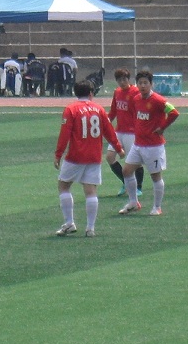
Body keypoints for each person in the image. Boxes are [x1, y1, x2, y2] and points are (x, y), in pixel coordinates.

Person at [53, 79, 125, 237]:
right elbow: (109, 131)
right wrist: (118, 148)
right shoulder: (99, 109)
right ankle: (90, 228)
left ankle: (69, 222)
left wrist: (58, 154)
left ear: (75, 93)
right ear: (91, 93)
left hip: (75, 156)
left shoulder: (71, 109)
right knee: (91, 191)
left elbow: (64, 134)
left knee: (64, 186)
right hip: (94, 156)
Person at [117, 70, 179, 216]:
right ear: (137, 84)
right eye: (140, 83)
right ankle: (133, 202)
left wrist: (162, 127)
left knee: (155, 176)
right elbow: (135, 115)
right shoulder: (136, 99)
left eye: (146, 83)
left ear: (151, 84)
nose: (143, 86)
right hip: (138, 144)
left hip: (153, 146)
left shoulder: (158, 100)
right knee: (126, 171)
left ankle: (157, 207)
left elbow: (174, 112)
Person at [106, 68, 144, 199]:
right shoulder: (117, 92)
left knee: (135, 162)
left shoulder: (135, 92)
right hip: (119, 131)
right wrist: (105, 122)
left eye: (124, 79)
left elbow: (139, 111)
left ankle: (138, 187)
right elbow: (113, 112)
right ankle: (126, 182)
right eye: (119, 80)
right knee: (110, 157)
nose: (122, 82)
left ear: (129, 79)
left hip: (132, 132)